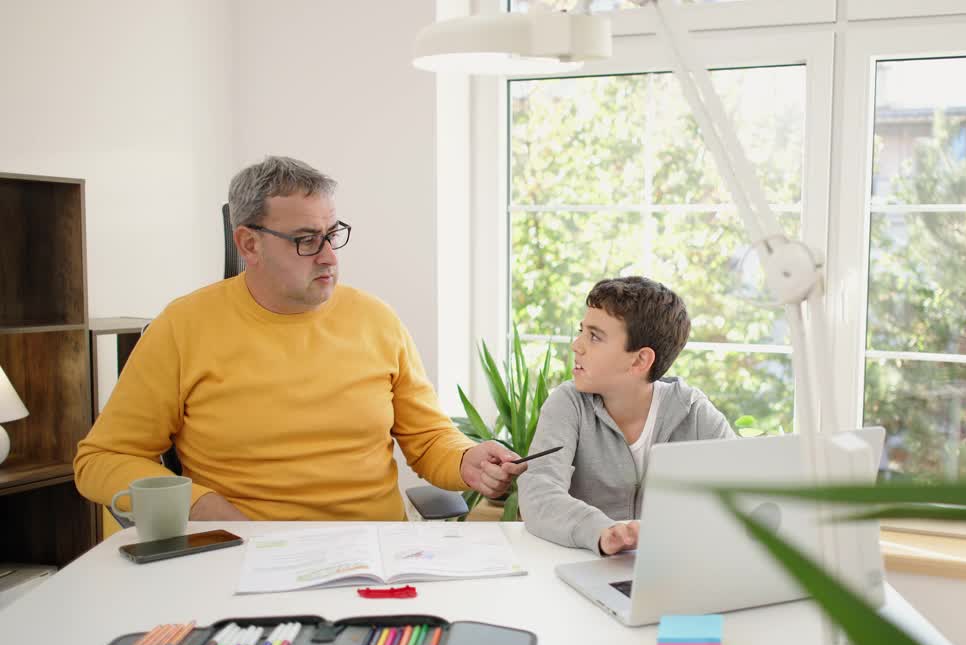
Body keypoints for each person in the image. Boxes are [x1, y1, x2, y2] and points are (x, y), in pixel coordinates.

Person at [74, 156, 524, 521]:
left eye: (332, 235)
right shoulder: (183, 326)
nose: (329, 257)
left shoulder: (376, 320)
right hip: (243, 555)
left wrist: (468, 461)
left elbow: (428, 440)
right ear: (249, 245)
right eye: (307, 240)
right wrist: (201, 506)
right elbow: (102, 459)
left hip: (373, 557)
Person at [519, 276, 736, 555]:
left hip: (667, 569)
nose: (577, 345)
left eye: (594, 336)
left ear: (639, 360)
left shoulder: (693, 412)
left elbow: (742, 492)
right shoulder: (568, 404)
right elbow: (538, 493)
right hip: (581, 562)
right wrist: (601, 531)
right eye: (581, 331)